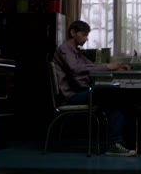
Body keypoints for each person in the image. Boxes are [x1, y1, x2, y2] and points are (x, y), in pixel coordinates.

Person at [53, 20, 136, 156]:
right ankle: (115, 143)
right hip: (71, 96)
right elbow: (76, 68)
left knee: (116, 98)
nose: (86, 38)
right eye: (83, 35)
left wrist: (116, 66)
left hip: (79, 92)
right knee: (114, 95)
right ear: (73, 33)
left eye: (87, 35)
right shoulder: (65, 50)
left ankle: (118, 142)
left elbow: (91, 65)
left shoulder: (76, 52)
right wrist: (108, 67)